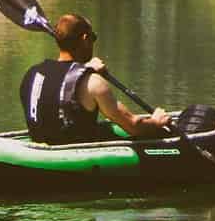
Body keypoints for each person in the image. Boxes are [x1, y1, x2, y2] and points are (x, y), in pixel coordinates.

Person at [21, 12, 173, 144]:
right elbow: (133, 126)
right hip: (75, 156)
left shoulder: (32, 73)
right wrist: (156, 122)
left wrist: (85, 68)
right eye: (93, 38)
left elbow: (60, 82)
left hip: (41, 146)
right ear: (85, 38)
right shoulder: (93, 83)